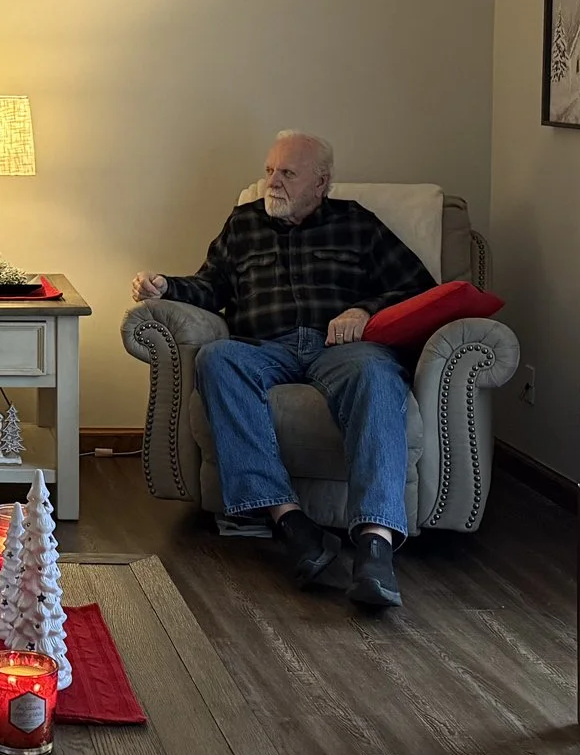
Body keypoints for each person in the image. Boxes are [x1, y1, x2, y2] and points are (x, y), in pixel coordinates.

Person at [131, 130, 433, 611]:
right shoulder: (243, 224)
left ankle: (375, 546)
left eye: (288, 173)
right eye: (269, 170)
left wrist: (363, 310)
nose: (273, 182)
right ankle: (290, 522)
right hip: (263, 347)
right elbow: (212, 288)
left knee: (378, 377)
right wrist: (168, 285)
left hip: (343, 350)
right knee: (217, 358)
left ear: (321, 182)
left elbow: (420, 290)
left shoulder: (357, 224)